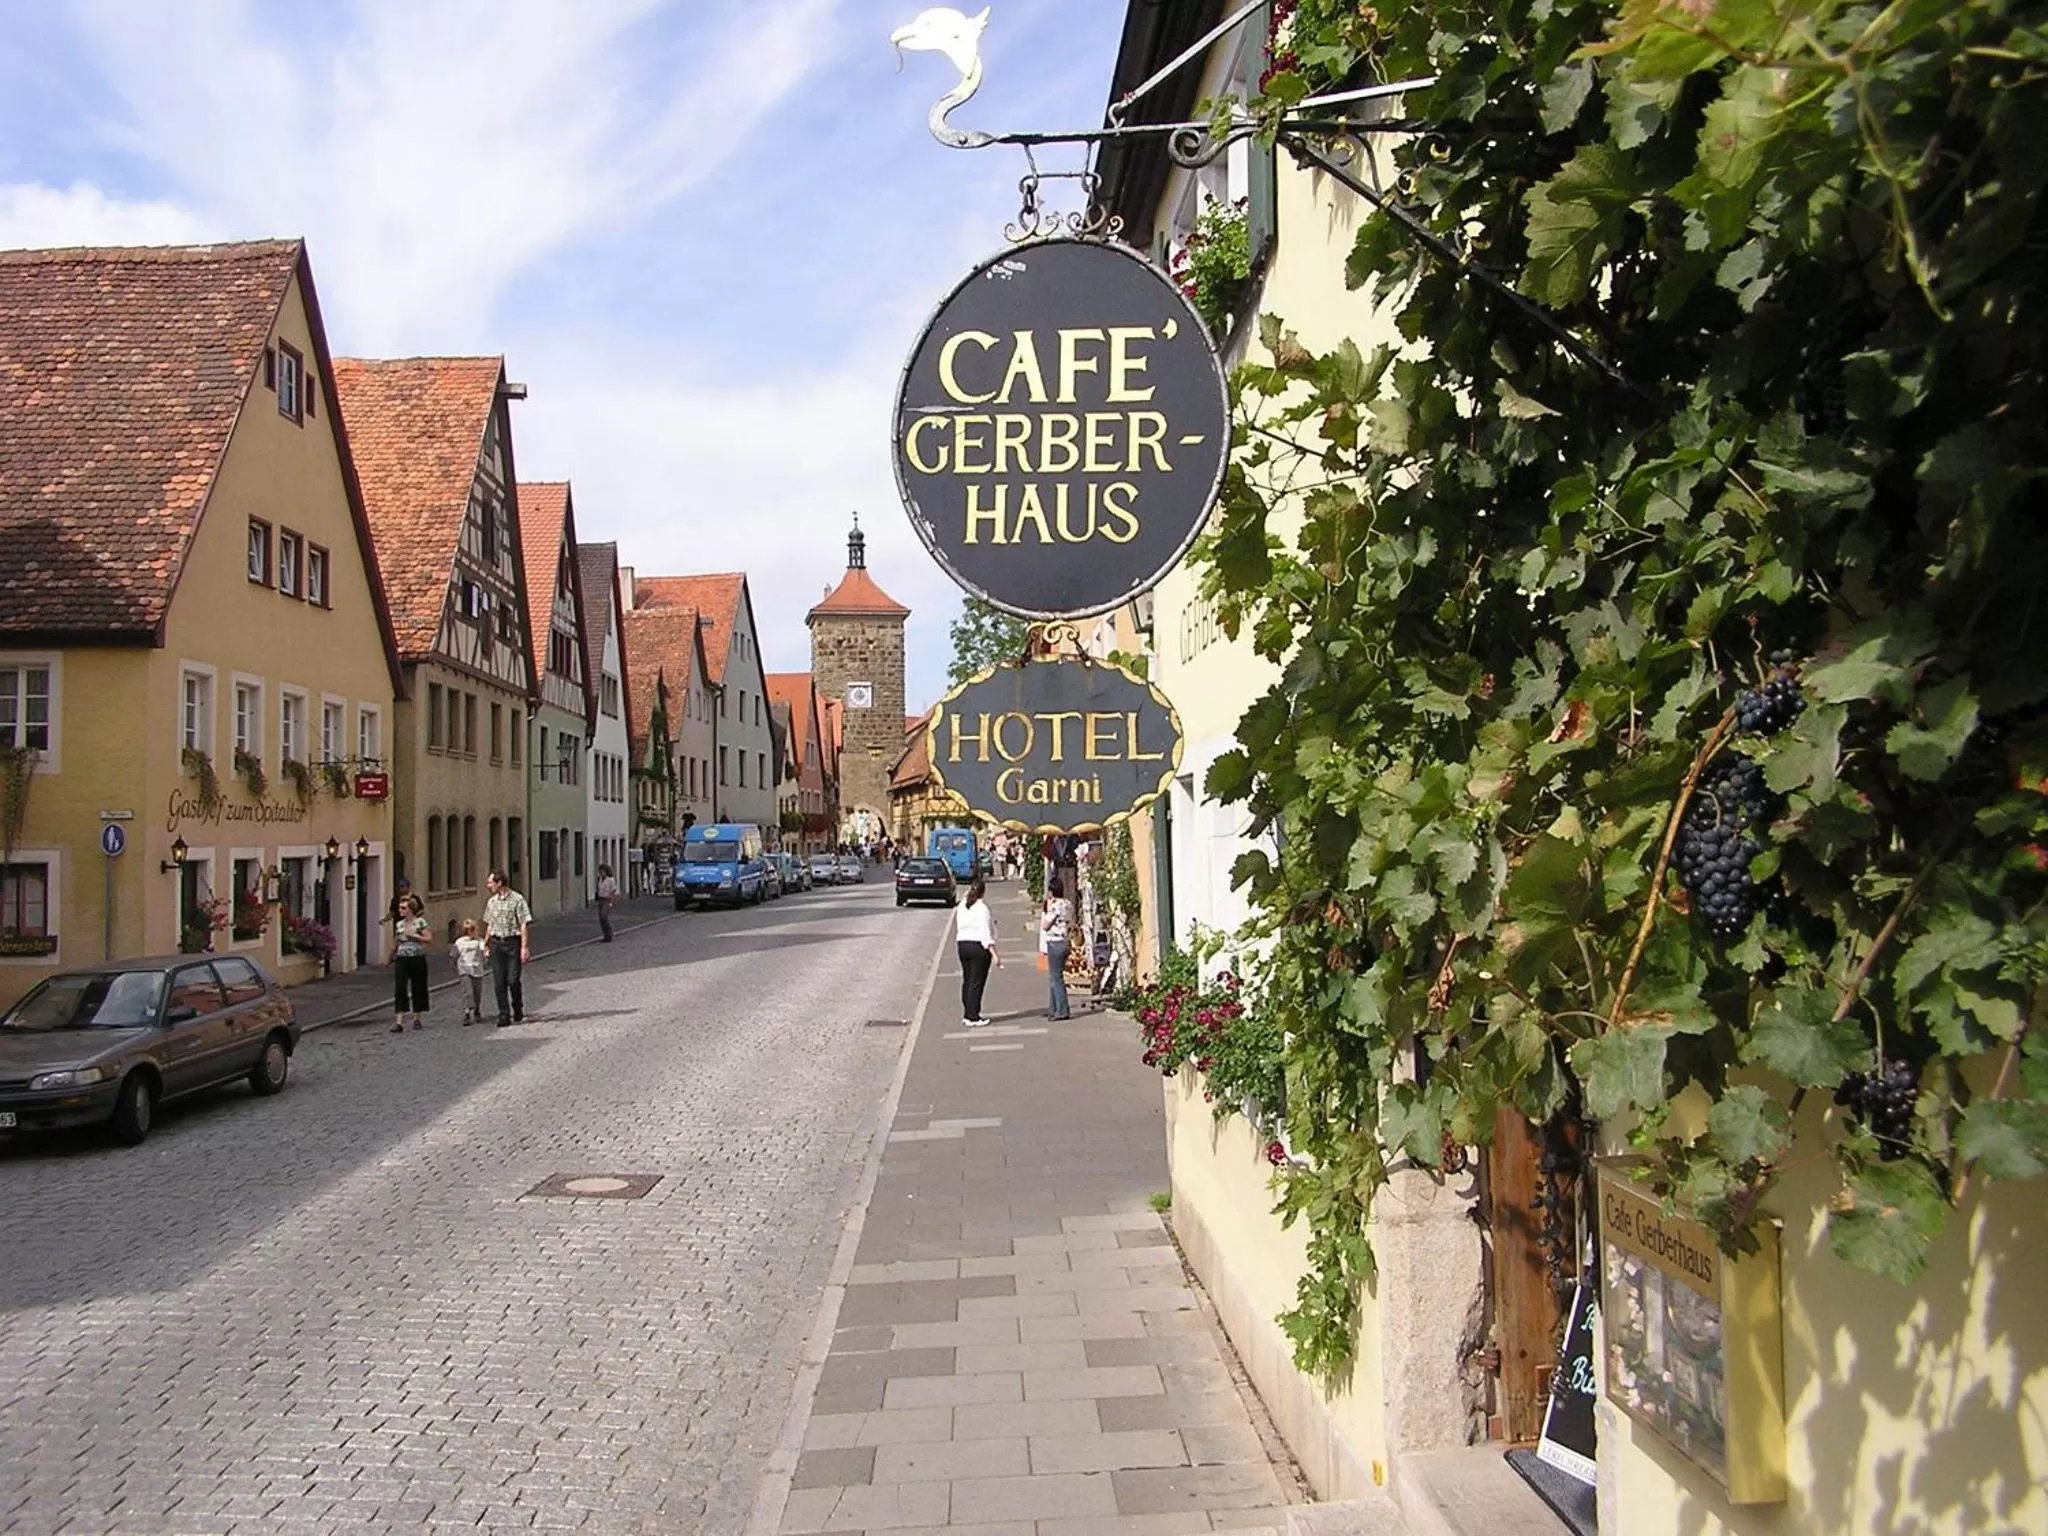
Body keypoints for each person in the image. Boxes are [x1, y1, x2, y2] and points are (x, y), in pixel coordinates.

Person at [483, 869, 533, 1028]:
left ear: (499, 883)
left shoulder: (517, 899)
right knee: (499, 982)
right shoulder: (492, 902)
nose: (488, 885)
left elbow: (523, 923)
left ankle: (517, 1007)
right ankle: (503, 1013)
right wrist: (485, 944)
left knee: (513, 980)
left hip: (513, 943)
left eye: (490, 882)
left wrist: (524, 947)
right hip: (497, 944)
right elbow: (489, 925)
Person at [955, 878, 999, 1027]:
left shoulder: (962, 905)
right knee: (977, 982)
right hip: (978, 947)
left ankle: (967, 1013)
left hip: (962, 944)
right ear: (983, 892)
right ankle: (974, 1016)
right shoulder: (982, 908)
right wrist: (994, 953)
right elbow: (985, 933)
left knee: (967, 979)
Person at [391, 894, 432, 1033]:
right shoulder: (399, 924)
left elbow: (428, 938)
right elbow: (396, 940)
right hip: (402, 958)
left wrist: (415, 936)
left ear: (410, 909)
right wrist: (392, 954)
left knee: (418, 987)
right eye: (400, 908)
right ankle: (399, 1022)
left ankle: (416, 1019)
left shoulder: (420, 922)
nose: (400, 910)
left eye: (403, 908)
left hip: (417, 957)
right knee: (400, 988)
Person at [1039, 875, 1072, 1021]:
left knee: (1056, 978)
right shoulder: (1068, 904)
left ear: (1051, 891)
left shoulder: (1055, 906)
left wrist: (1047, 910)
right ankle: (1053, 1008)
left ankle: (1062, 1010)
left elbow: (1045, 925)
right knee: (1054, 976)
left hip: (1055, 942)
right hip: (1065, 941)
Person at [451, 918, 488, 1025]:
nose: (476, 932)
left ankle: (477, 1010)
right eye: (474, 930)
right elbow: (454, 955)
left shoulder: (479, 941)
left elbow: (483, 950)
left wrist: (486, 955)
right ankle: (466, 1013)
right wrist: (453, 965)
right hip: (464, 969)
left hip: (477, 969)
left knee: (477, 992)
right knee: (467, 992)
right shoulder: (459, 942)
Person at [595, 863, 619, 943]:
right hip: (601, 899)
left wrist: (611, 902)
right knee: (601, 919)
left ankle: (610, 933)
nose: (601, 873)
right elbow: (598, 889)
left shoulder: (610, 880)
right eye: (600, 871)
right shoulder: (599, 879)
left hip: (607, 899)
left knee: (604, 916)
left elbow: (613, 891)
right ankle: (605, 935)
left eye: (602, 871)